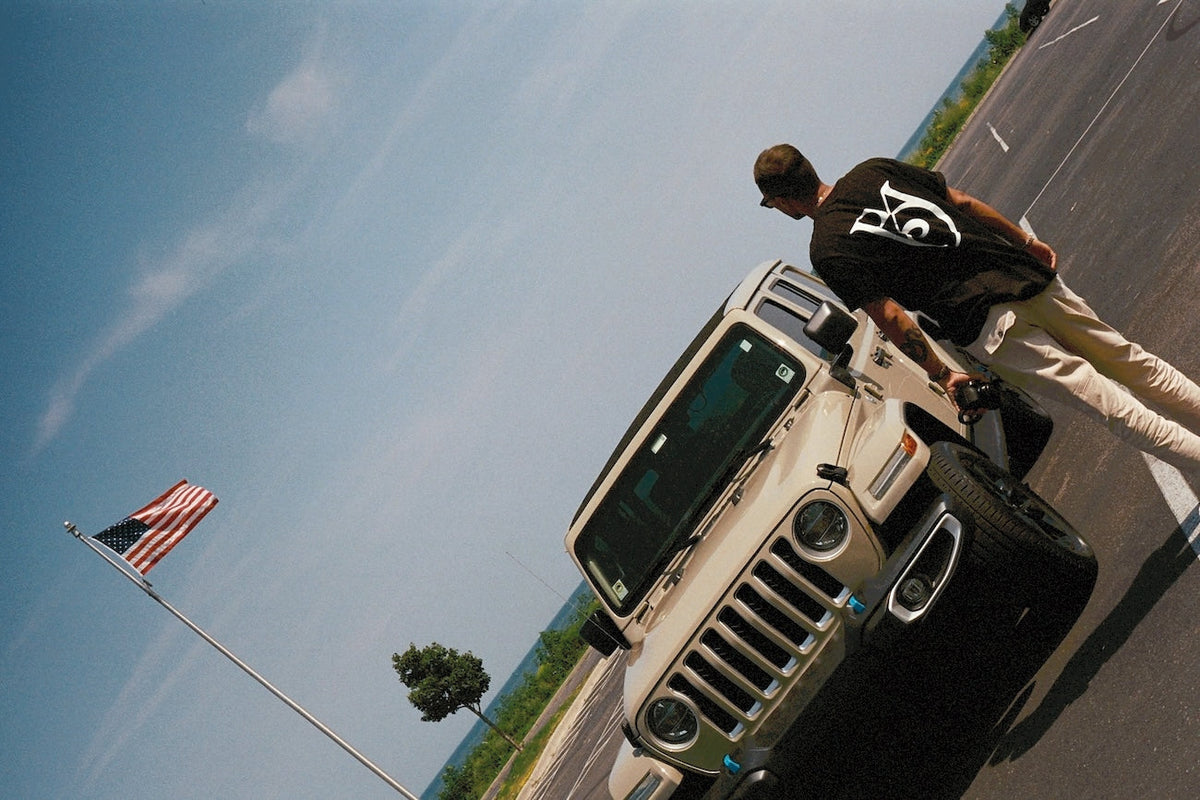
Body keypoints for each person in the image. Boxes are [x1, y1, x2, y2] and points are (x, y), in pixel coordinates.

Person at [753, 143, 1200, 473]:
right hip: (1023, 275)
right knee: (1133, 363)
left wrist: (943, 375)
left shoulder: (827, 248)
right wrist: (1025, 241)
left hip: (986, 323)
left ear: (783, 201)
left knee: (1107, 403)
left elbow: (888, 314)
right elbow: (961, 202)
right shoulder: (875, 169)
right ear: (810, 168)